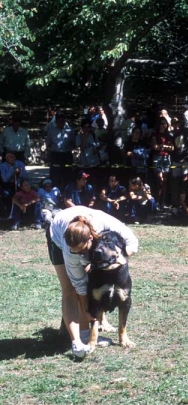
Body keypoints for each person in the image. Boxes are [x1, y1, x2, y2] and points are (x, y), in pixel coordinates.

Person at [47, 206, 138, 358]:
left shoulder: (107, 224)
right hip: (57, 235)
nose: (82, 255)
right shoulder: (70, 249)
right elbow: (80, 286)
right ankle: (79, 340)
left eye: (83, 252)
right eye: (77, 252)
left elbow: (132, 242)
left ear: (91, 239)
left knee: (94, 274)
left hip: (89, 232)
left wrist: (118, 258)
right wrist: (86, 310)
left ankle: (99, 321)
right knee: (69, 289)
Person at [45, 111, 75, 190]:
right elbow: (49, 144)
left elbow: (74, 143)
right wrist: (48, 155)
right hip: (55, 154)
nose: (61, 122)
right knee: (55, 175)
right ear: (56, 120)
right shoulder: (51, 130)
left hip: (67, 154)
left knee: (68, 175)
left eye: (62, 120)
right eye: (59, 120)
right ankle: (55, 192)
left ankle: (67, 192)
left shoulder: (70, 130)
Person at [150, 118, 175, 209]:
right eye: (161, 123)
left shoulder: (169, 135)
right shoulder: (155, 134)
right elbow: (155, 147)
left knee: (165, 181)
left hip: (167, 158)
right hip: (158, 158)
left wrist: (163, 146)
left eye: (165, 123)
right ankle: (156, 202)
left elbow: (172, 148)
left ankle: (163, 202)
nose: (163, 125)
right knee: (159, 180)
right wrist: (164, 147)